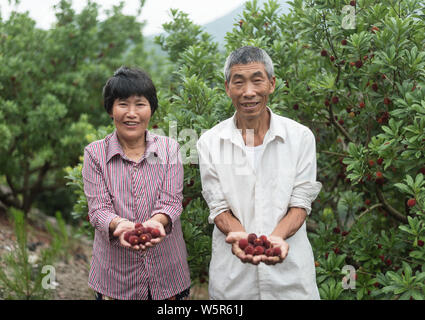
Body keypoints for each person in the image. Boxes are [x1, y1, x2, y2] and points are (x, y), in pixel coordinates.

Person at [197, 46, 322, 299]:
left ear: (272, 83)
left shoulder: (300, 137)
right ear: (227, 88)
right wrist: (242, 238)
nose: (248, 92)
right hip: (233, 283)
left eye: (257, 80)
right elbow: (218, 207)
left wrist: (275, 239)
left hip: (292, 281)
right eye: (239, 82)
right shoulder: (209, 142)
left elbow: (300, 203)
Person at [82, 66, 191, 300]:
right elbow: (98, 209)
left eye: (140, 104)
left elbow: (171, 202)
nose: (131, 113)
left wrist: (155, 223)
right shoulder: (95, 154)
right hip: (116, 279)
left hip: (168, 276)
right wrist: (120, 225)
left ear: (151, 109)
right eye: (123, 103)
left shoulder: (169, 149)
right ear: (111, 109)